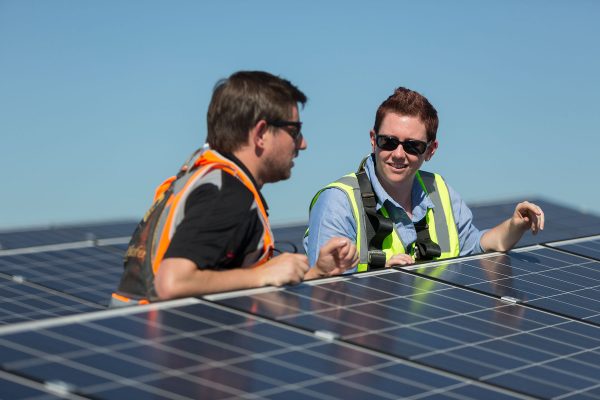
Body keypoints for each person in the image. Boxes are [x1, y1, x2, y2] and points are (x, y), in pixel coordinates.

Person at [111, 71, 358, 306]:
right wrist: (262, 275)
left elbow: (223, 280)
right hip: (164, 334)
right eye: (294, 131)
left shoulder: (207, 180)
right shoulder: (227, 194)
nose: (302, 144)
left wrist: (316, 273)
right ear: (261, 133)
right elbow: (172, 283)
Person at [304, 86, 544, 273]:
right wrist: (378, 280)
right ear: (373, 140)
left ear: (430, 150)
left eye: (413, 146)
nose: (398, 154)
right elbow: (324, 290)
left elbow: (477, 247)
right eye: (388, 142)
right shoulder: (338, 202)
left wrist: (515, 225)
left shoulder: (439, 191)